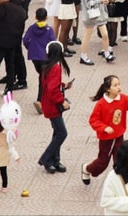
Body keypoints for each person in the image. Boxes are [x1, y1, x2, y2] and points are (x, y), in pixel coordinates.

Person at [81, 75, 128, 186]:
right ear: (108, 89)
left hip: (119, 136)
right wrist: (104, 128)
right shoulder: (101, 104)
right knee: (102, 163)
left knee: (120, 159)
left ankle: (121, 180)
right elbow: (93, 120)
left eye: (119, 84)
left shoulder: (123, 99)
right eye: (115, 85)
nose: (118, 87)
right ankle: (87, 168)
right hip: (106, 139)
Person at [38, 41, 73, 174]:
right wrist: (62, 100)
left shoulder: (47, 66)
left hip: (48, 103)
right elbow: (52, 90)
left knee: (57, 132)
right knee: (62, 133)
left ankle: (55, 160)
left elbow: (51, 85)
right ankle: (46, 158)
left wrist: (63, 86)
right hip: (53, 106)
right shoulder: (56, 68)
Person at [22, 8, 58, 115]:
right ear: (46, 17)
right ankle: (40, 101)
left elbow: (25, 40)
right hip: (45, 57)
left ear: (35, 17)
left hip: (35, 57)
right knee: (43, 78)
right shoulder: (49, 30)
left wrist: (31, 48)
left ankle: (45, 98)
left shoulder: (32, 28)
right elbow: (53, 43)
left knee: (42, 75)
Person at [79, 0, 115, 65]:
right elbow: (88, 3)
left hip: (99, 14)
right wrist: (100, 1)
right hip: (91, 15)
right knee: (87, 35)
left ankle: (107, 53)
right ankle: (83, 55)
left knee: (105, 34)